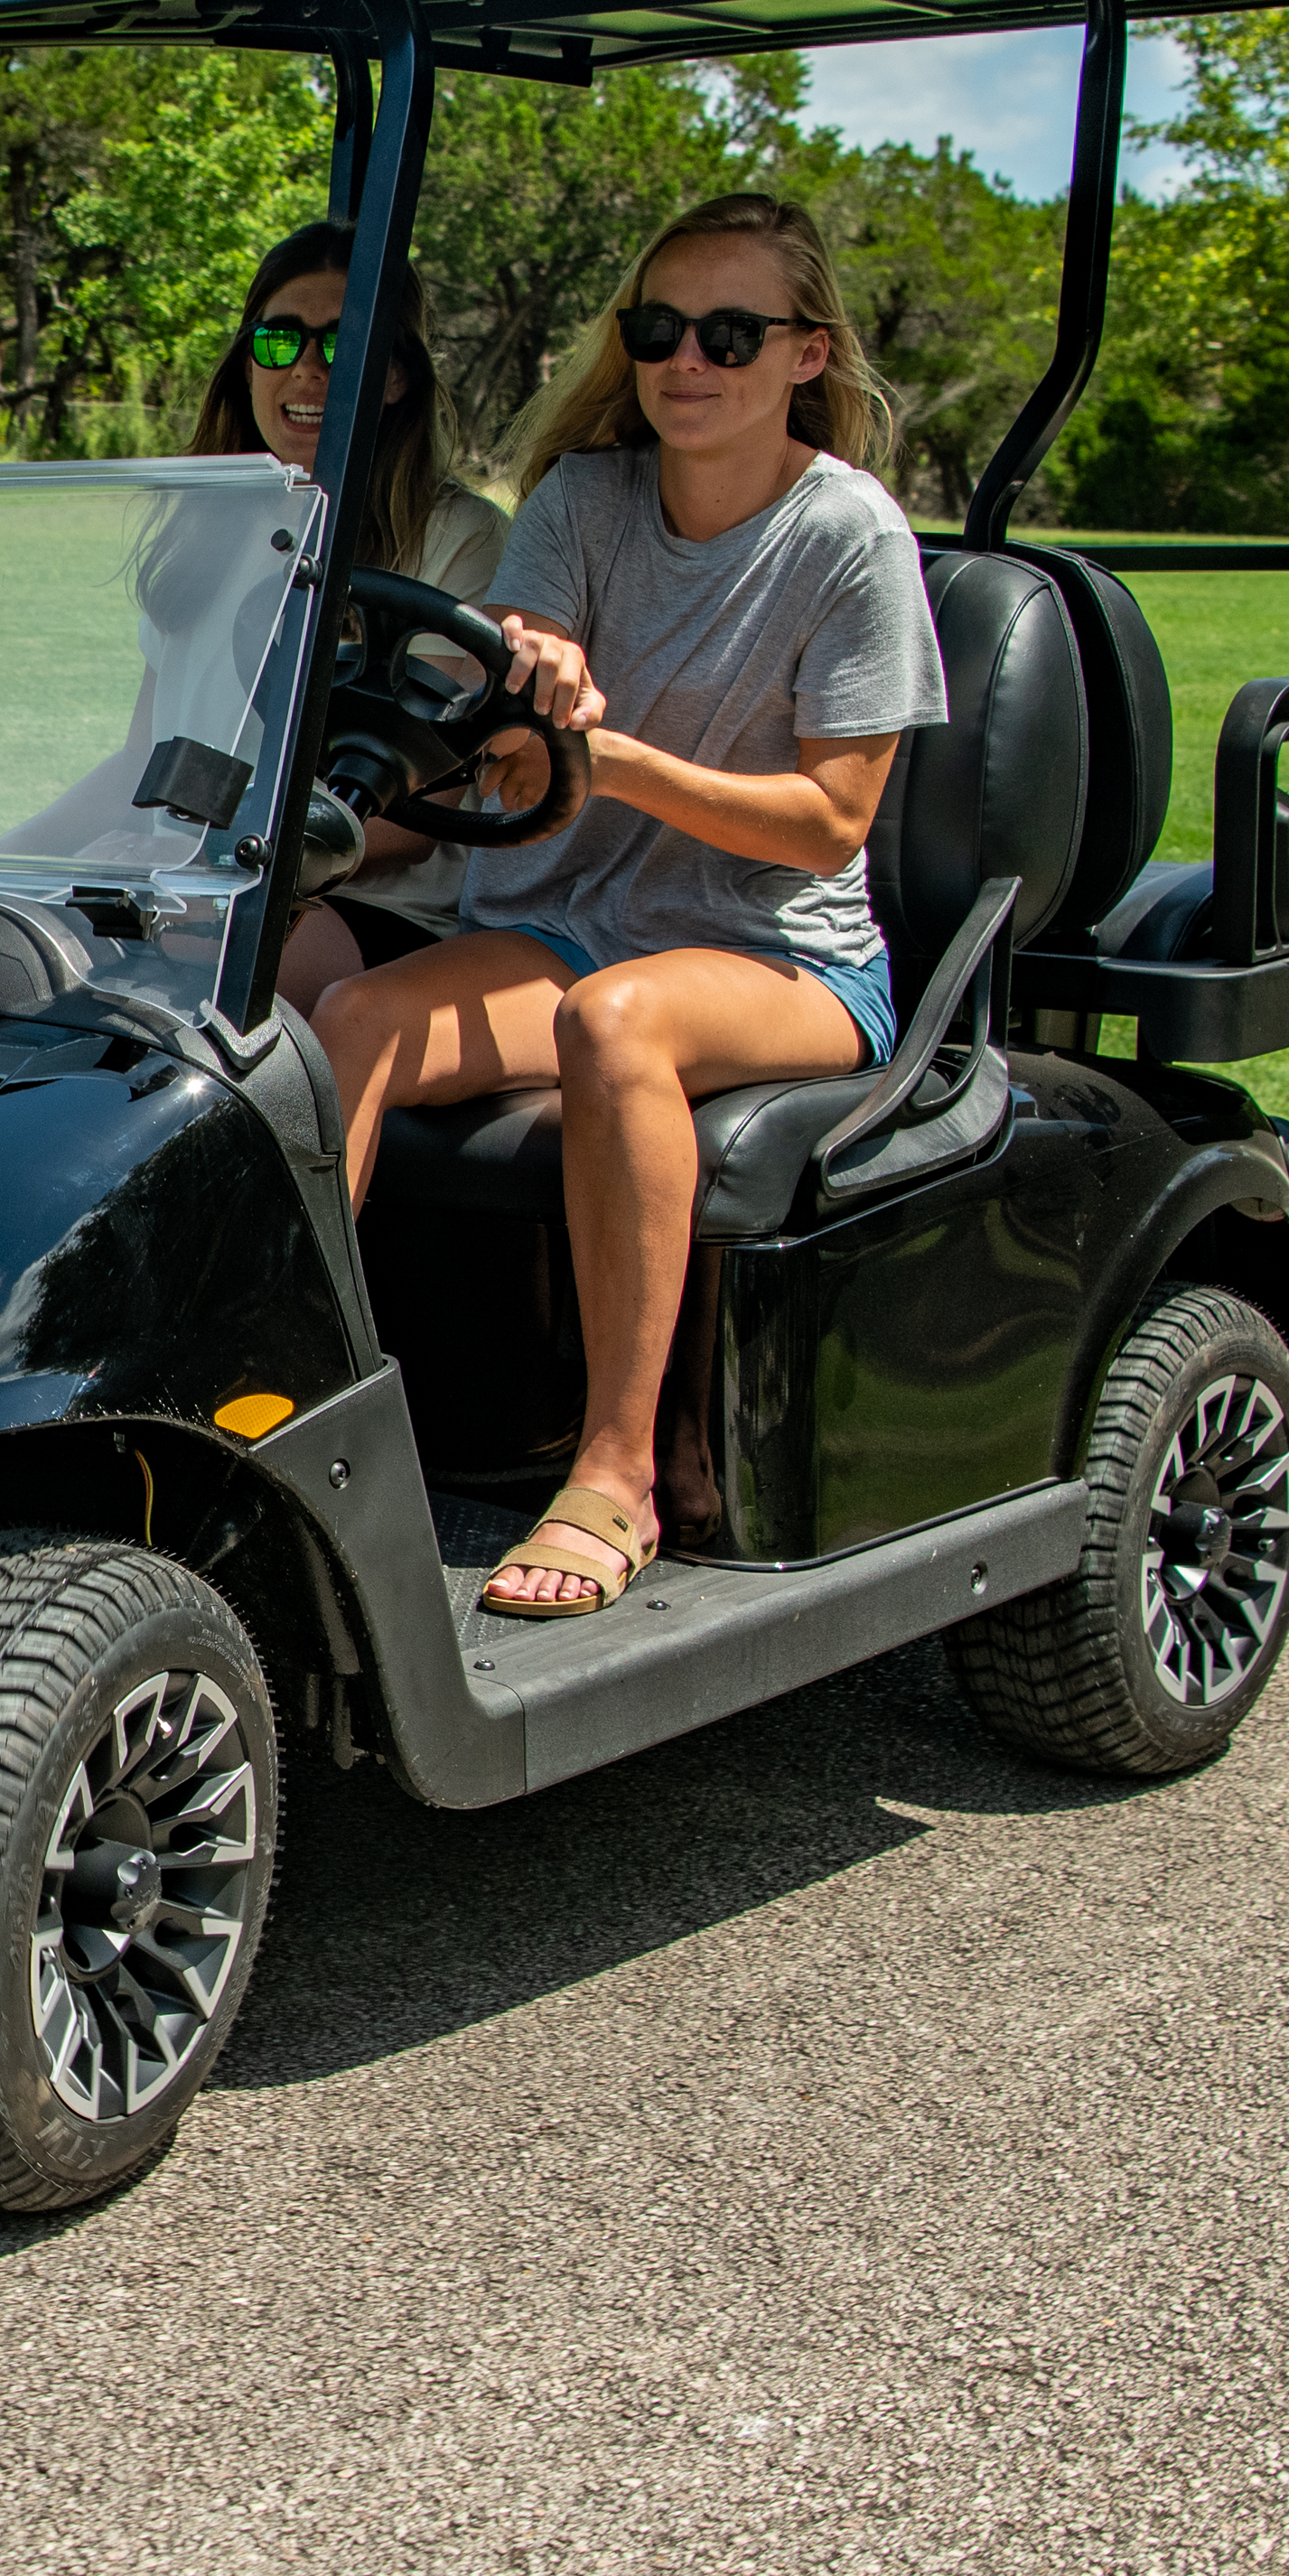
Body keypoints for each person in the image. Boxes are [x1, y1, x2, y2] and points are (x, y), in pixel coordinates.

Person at [305, 191, 942, 1624]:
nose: (685, 360)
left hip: (782, 959)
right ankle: (298, 1417)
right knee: (351, 1015)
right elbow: (529, 645)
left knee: (617, 1022)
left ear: (807, 356)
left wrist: (624, 764)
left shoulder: (850, 536)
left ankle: (617, 1471)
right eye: (659, 329)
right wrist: (532, 668)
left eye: (729, 332)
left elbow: (833, 820)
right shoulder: (587, 500)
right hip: (572, 920)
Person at [191, 226, 513, 1007]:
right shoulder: (208, 523)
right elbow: (150, 752)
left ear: (397, 374)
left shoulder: (460, 539)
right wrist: (3, 860)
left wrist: (219, 856)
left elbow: (418, 812)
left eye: (340, 345)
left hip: (374, 906)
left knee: (184, 983)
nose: (304, 369)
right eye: (278, 341)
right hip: (205, 876)